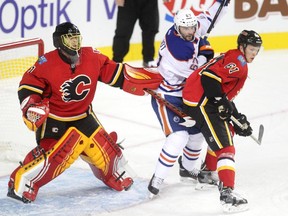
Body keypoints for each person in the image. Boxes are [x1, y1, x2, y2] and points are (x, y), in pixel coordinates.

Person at [7, 22, 162, 203]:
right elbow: (28, 87)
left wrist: (145, 78)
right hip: (55, 120)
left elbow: (117, 73)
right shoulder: (46, 63)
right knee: (56, 156)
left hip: (83, 116)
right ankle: (22, 180)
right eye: (70, 39)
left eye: (76, 38)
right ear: (59, 41)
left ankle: (111, 175)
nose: (75, 42)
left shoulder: (91, 57)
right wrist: (31, 106)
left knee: (108, 153)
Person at [148, 0, 230, 197]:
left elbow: (209, 17)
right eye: (186, 28)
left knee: (197, 134)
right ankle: (157, 178)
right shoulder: (176, 49)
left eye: (192, 27)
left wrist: (222, 3)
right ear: (177, 28)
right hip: (167, 95)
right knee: (178, 137)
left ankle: (186, 169)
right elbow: (196, 76)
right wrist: (206, 55)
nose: (190, 31)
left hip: (187, 96)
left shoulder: (188, 29)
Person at [182, 30, 263, 213]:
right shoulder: (238, 62)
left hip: (202, 98)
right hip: (201, 101)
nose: (254, 53)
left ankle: (208, 173)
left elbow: (221, 91)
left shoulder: (235, 57)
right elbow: (209, 78)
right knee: (226, 146)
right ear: (242, 46)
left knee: (229, 131)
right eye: (251, 49)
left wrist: (236, 117)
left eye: (257, 50)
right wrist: (222, 104)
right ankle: (227, 194)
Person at [112, 0, 169, 67]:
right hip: (128, 2)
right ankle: (117, 61)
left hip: (150, 2)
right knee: (123, 31)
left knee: (150, 30)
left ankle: (148, 59)